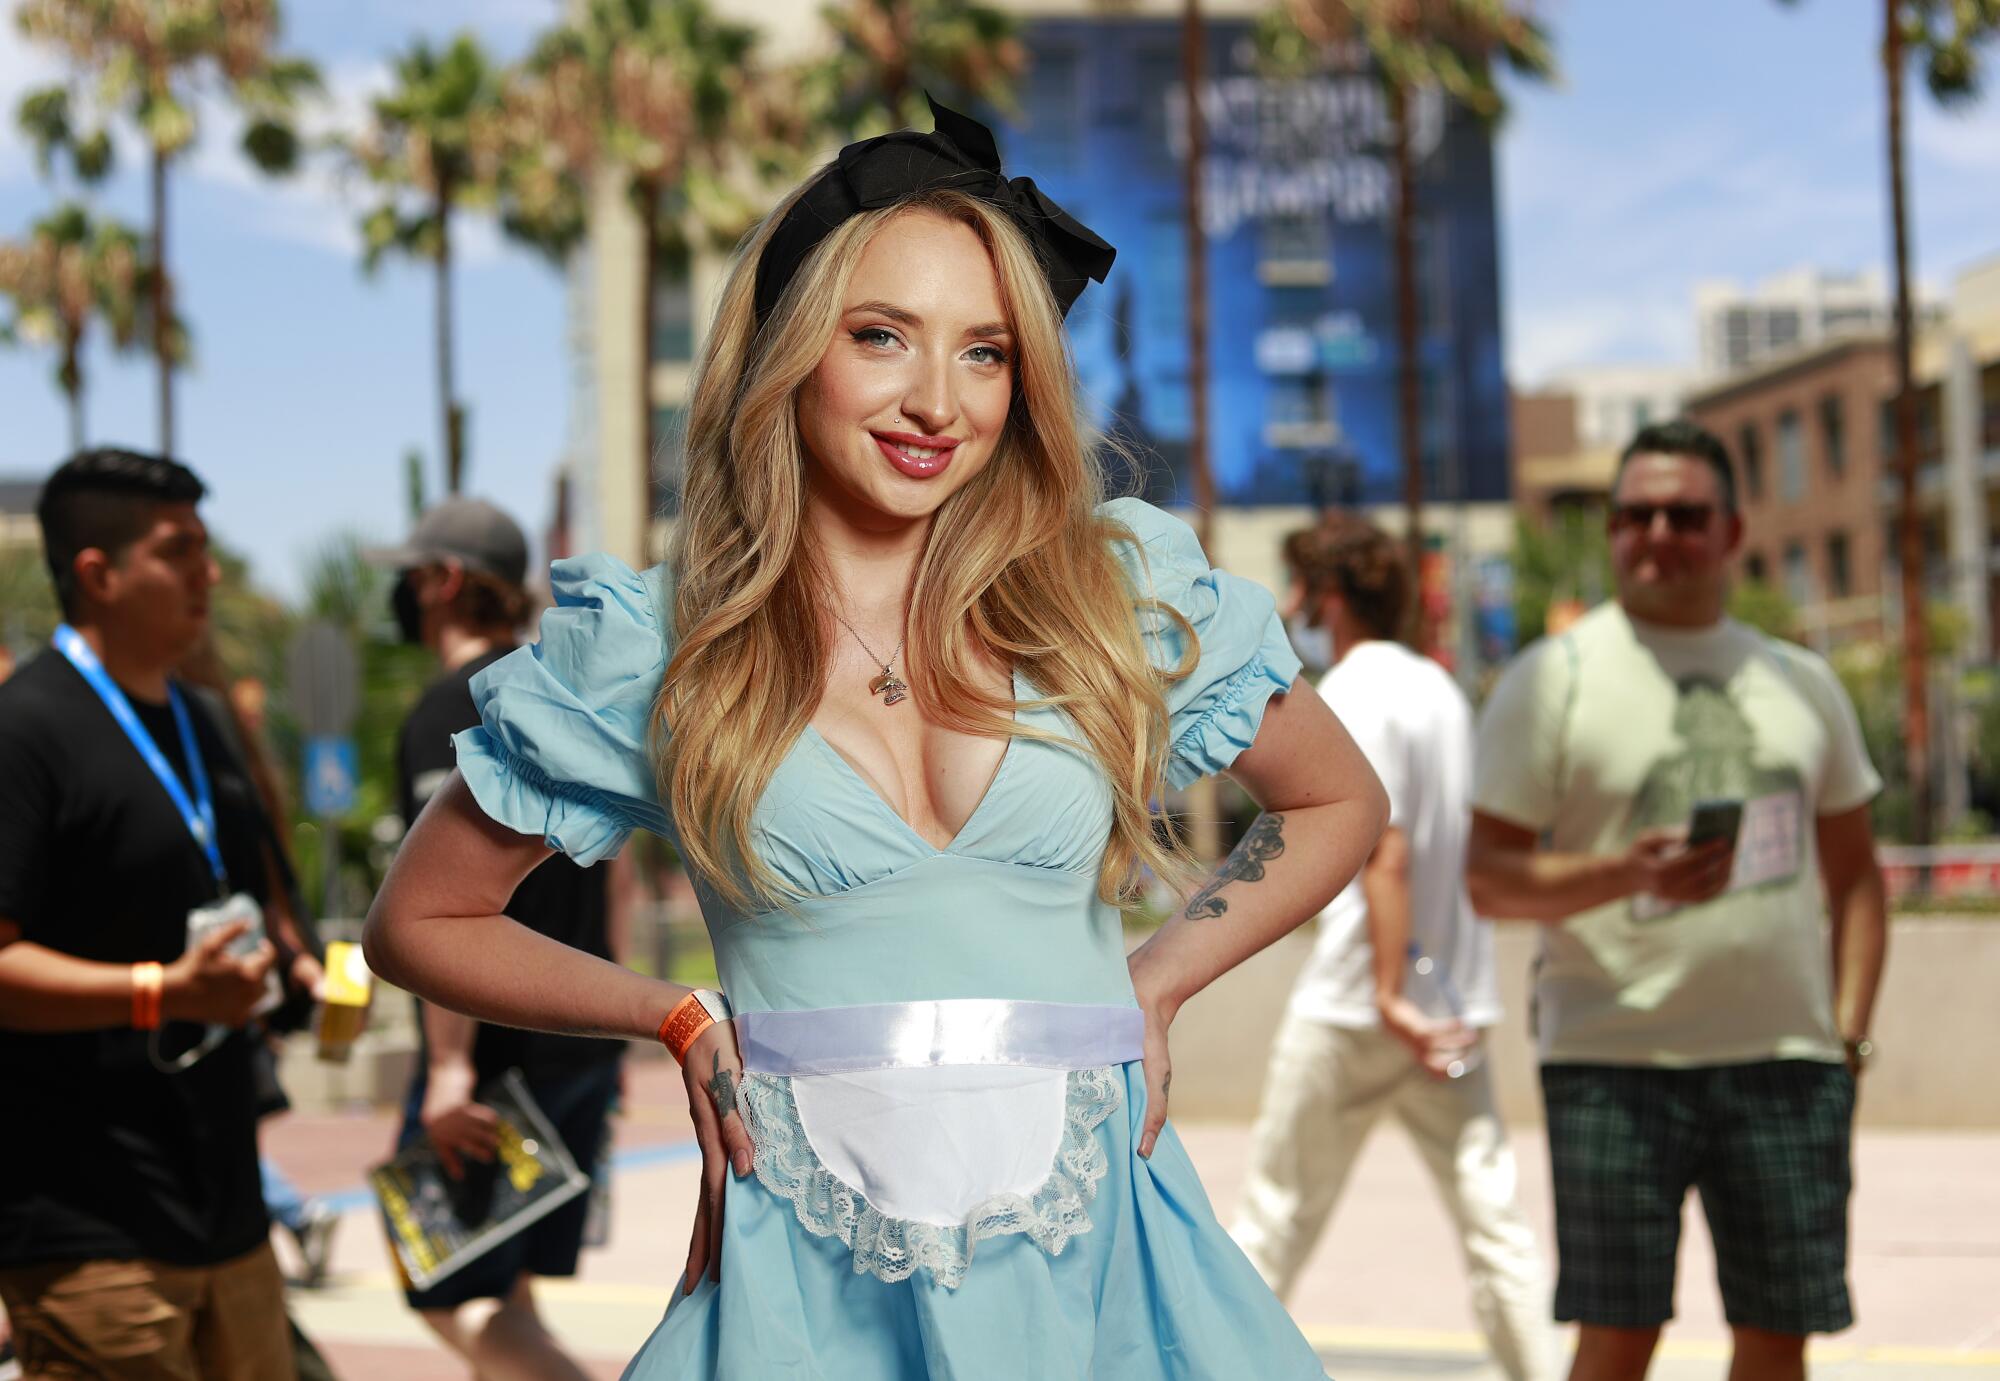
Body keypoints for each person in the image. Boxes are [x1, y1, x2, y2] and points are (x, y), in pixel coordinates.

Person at [365, 98, 1388, 1379]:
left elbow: (1335, 799)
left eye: (986, 352)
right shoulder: (658, 648)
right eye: (881, 337)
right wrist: (674, 1016)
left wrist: (1158, 979)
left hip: (1112, 1278)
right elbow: (420, 922)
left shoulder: (1107, 595)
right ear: (790, 351)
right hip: (810, 1288)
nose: (934, 401)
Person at [1466, 419, 1889, 1381]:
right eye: (1636, 514)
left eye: (1686, 515)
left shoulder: (1802, 681)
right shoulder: (1550, 679)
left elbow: (1858, 873)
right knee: (1618, 1340)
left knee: (1780, 1338)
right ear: (1613, 530)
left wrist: (1848, 1039)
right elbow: (1487, 878)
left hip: (1785, 1063)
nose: (1659, 533)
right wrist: (1629, 873)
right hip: (1613, 1058)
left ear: (1733, 531)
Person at [1231, 515, 1553, 1381]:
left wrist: (1383, 992)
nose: (1291, 606)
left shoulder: (1353, 693)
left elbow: (1388, 846)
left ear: (1330, 597)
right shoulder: (1442, 691)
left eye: (1298, 589)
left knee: (1273, 1222)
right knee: (1497, 1229)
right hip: (1449, 1001)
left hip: (1358, 1001)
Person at [0, 449, 295, 1380]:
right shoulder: (25, 728)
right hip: (91, 1228)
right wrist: (162, 992)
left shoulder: (204, 720)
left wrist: (289, 968)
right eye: (180, 551)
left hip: (230, 1214)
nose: (210, 573)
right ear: (98, 572)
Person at [373, 497, 626, 1379]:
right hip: (579, 1044)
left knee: (452, 1290)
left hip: (492, 1058)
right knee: (511, 1292)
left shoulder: (452, 708)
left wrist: (446, 1067)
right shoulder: (564, 692)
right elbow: (619, 868)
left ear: (442, 582)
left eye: (409, 578)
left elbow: (440, 914)